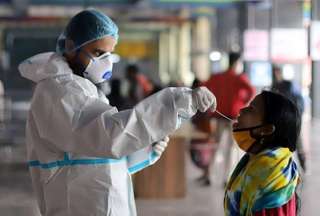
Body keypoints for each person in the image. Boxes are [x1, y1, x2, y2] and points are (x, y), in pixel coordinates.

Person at [18, 9, 217, 216]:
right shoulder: (59, 92)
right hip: (77, 206)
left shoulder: (82, 88)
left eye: (109, 53)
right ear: (70, 47)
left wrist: (141, 150)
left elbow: (91, 155)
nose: (106, 61)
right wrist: (178, 103)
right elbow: (107, 136)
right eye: (97, 53)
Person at [224, 91, 301, 216]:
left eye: (251, 109)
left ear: (266, 130)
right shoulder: (257, 163)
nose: (241, 111)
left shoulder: (271, 182)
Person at [204, 52, 255, 185]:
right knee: (230, 149)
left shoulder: (217, 77)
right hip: (233, 117)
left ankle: (209, 174)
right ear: (237, 63)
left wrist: (212, 104)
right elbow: (251, 91)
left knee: (216, 145)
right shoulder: (239, 78)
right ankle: (227, 178)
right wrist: (242, 103)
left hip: (219, 115)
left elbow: (204, 87)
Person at [271, 65, 307, 172]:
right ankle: (285, 169)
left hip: (293, 119)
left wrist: (298, 113)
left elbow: (299, 100)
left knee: (298, 143)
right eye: (274, 72)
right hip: (281, 121)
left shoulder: (289, 84)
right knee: (283, 145)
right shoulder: (275, 86)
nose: (275, 75)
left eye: (277, 72)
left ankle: (303, 167)